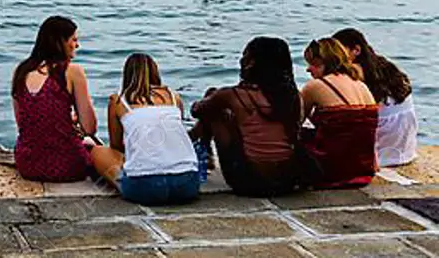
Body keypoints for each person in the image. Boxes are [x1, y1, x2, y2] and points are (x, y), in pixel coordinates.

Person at [191, 37, 302, 197]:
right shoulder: (295, 97)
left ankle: (201, 151)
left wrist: (213, 99)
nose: (240, 60)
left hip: (250, 182)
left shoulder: (234, 95)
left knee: (213, 106)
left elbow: (197, 111)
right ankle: (197, 148)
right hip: (288, 181)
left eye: (244, 55)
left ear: (251, 62)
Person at [91, 54, 200, 205]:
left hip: (145, 189)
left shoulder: (118, 100)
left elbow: (115, 146)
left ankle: (124, 181)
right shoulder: (173, 97)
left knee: (97, 152)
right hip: (187, 185)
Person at [11, 16, 103, 182]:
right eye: (74, 39)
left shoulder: (20, 71)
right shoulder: (72, 71)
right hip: (67, 165)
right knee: (96, 146)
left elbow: (23, 123)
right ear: (61, 42)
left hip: (28, 164)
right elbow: (90, 127)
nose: (77, 45)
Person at [300, 38, 379, 189]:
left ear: (327, 63)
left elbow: (295, 121)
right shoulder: (361, 85)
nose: (308, 69)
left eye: (314, 64)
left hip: (332, 169)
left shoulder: (315, 86)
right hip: (362, 169)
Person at [333, 28, 417, 167]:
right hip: (404, 145)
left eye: (339, 51)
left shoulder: (355, 71)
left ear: (356, 50)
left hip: (382, 143)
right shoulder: (384, 66)